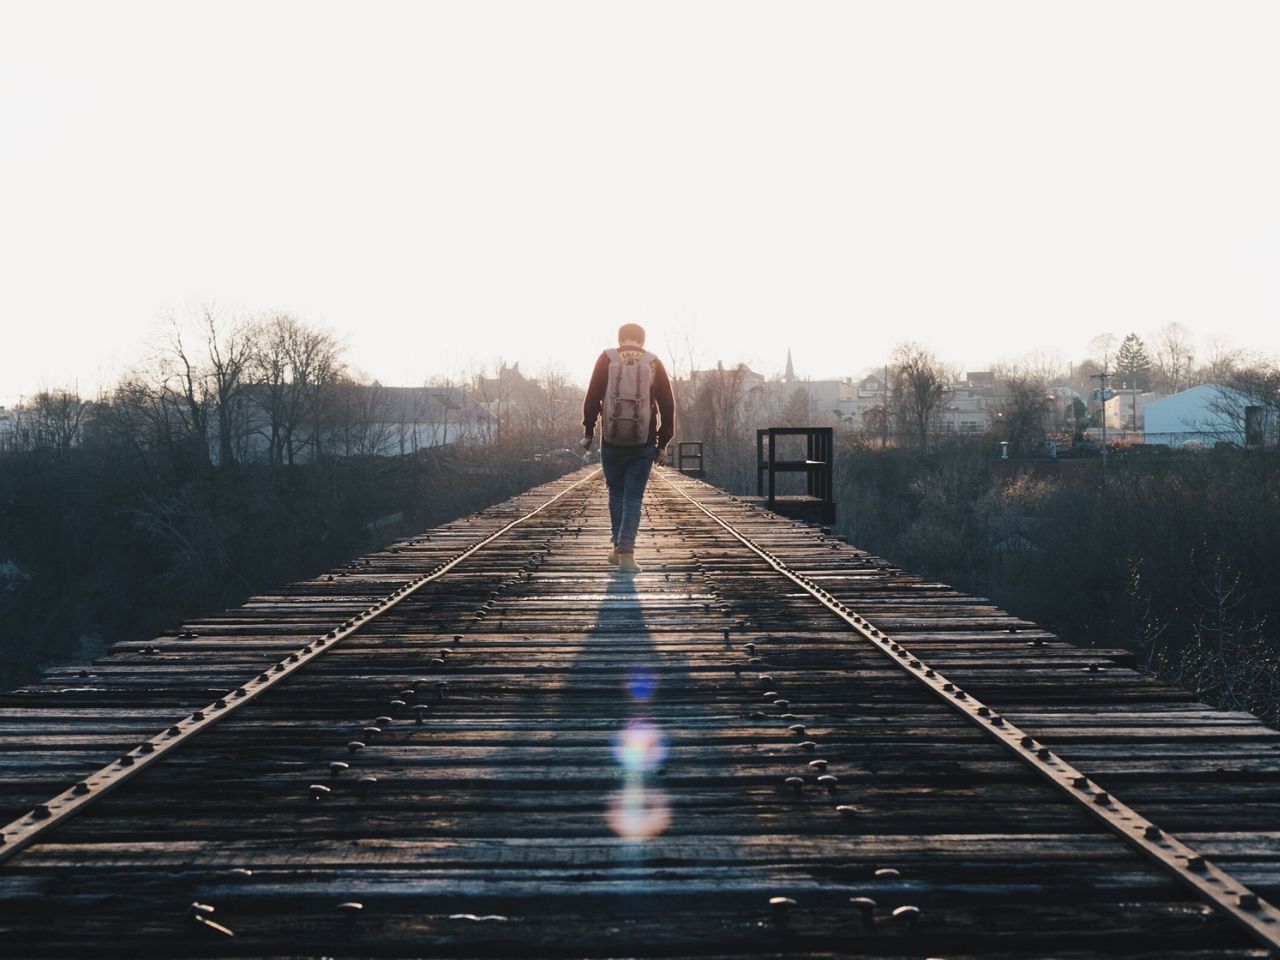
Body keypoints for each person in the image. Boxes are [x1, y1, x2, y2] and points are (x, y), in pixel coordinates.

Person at [580, 323, 675, 573]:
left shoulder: (607, 358)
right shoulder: (653, 362)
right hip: (643, 442)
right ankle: (626, 553)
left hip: (611, 441)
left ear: (620, 339)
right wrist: (663, 442)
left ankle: (617, 548)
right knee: (633, 497)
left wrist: (589, 432)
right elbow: (667, 405)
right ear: (641, 341)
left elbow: (592, 397)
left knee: (616, 493)